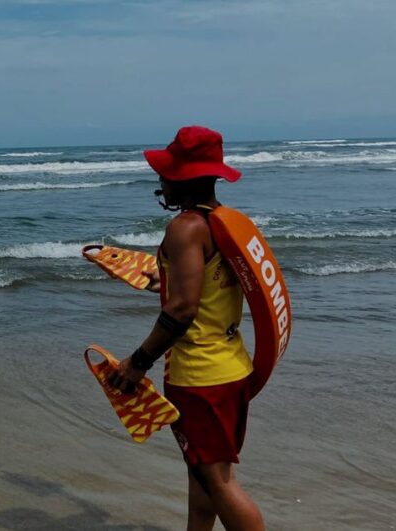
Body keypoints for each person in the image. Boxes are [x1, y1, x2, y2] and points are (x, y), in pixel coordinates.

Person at [107, 126, 264, 531]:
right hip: (232, 367)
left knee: (217, 481)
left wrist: (137, 362)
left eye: (165, 173)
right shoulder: (227, 221)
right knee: (202, 483)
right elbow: (209, 287)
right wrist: (162, 279)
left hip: (200, 377)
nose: (160, 181)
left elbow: (182, 310)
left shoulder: (185, 228)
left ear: (184, 177)